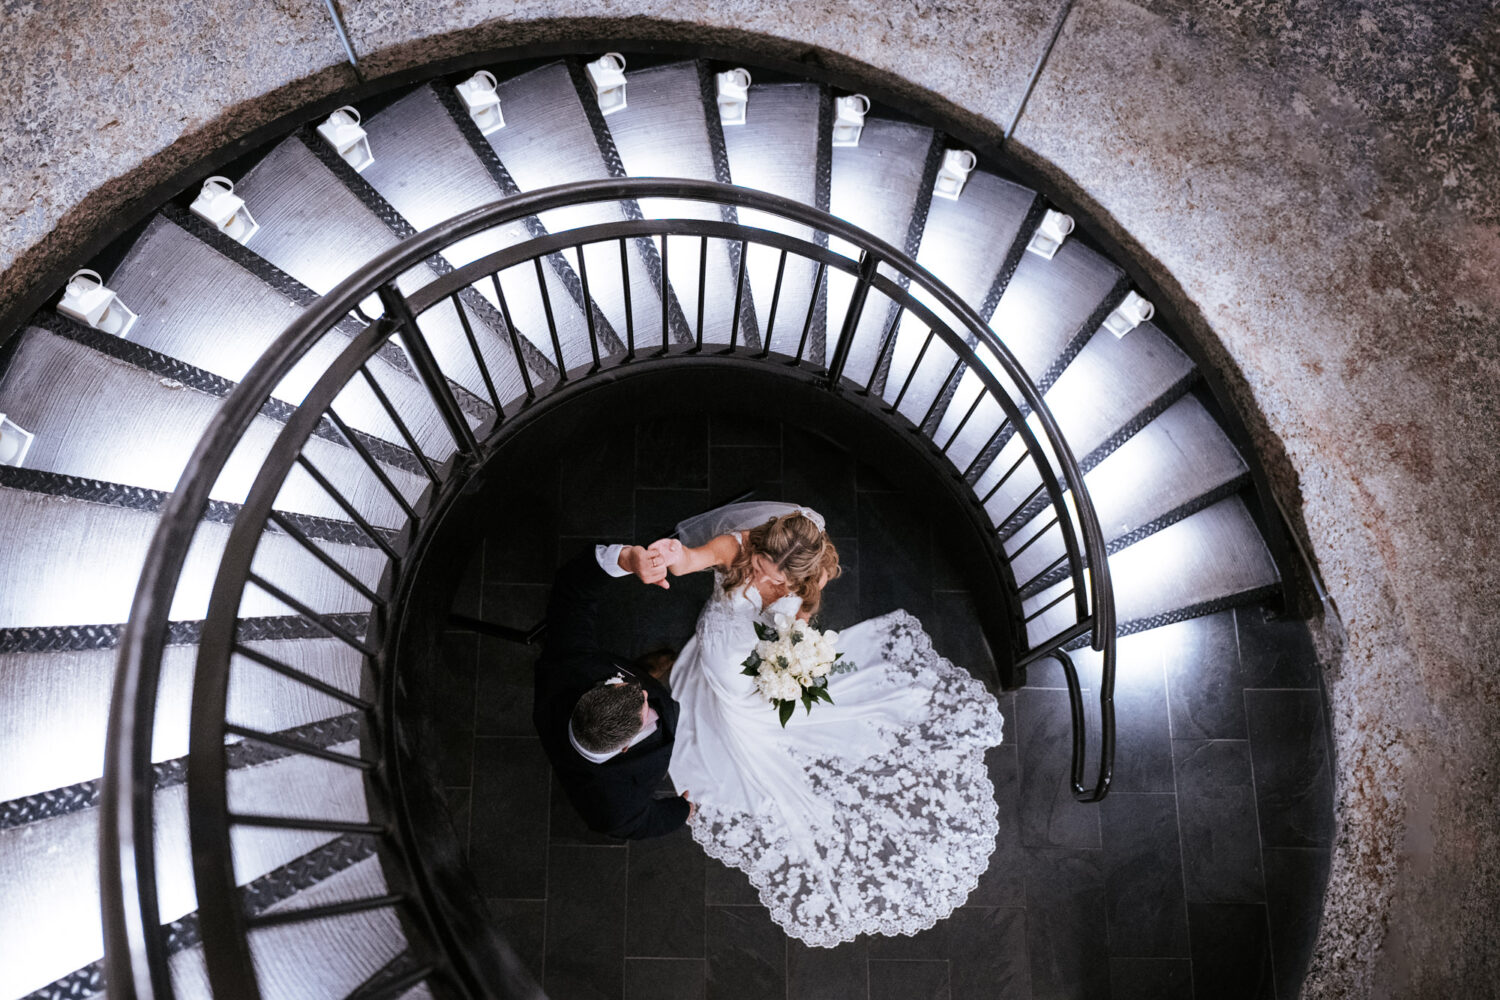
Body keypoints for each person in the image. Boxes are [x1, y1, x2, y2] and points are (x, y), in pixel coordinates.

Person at [644, 501, 1006, 947]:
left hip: (762, 668)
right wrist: (667, 556)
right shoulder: (735, 547)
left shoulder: (811, 572)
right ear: (757, 546)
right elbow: (690, 558)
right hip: (721, 655)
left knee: (780, 713)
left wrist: (790, 656)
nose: (765, 578)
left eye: (778, 576)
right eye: (760, 565)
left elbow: (801, 615)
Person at [532, 542, 694, 840]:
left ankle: (644, 668)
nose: (645, 694)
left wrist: (624, 558)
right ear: (625, 747)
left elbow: (573, 589)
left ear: (589, 694)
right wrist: (683, 810)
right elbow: (643, 823)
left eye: (626, 686)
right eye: (644, 708)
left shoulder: (566, 666)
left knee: (644, 678)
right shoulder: (613, 805)